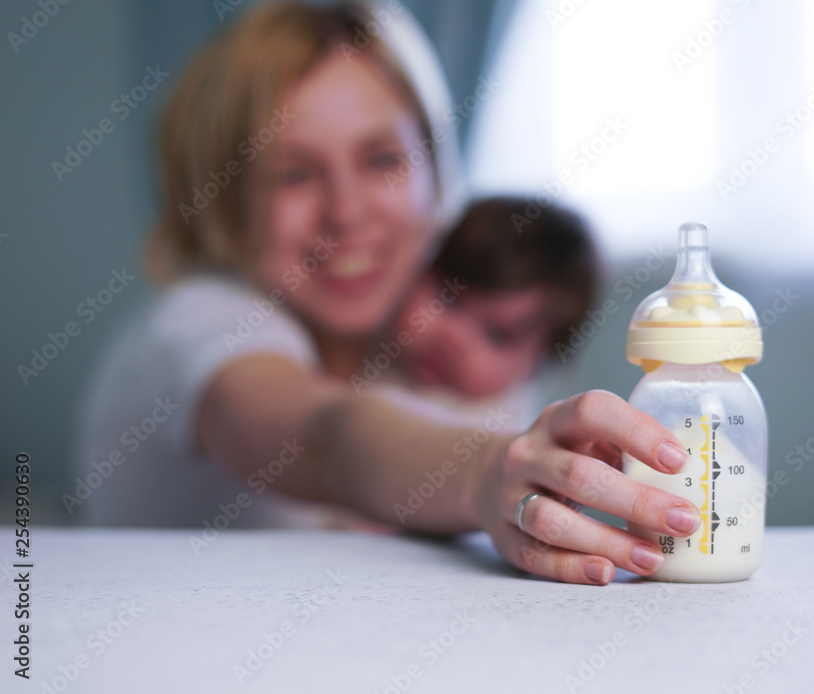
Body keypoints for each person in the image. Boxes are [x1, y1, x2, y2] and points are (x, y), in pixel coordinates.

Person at [75, 0, 701, 585]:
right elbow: (328, 437)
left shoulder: (451, 356)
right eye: (291, 174)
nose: (345, 213)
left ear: (435, 171)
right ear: (223, 201)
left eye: (380, 159)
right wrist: (489, 472)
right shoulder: (199, 324)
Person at [366, 196, 599, 429]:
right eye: (449, 299)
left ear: (538, 365)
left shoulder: (501, 437)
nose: (452, 338)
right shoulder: (364, 343)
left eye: (496, 335)